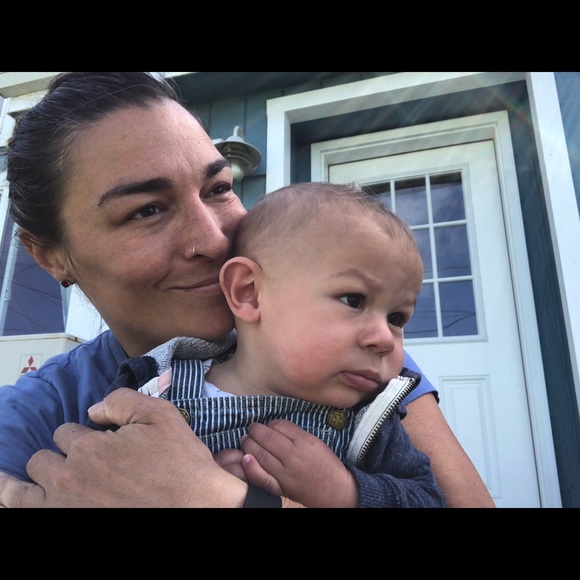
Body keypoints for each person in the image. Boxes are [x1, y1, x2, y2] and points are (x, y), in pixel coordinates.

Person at [0, 72, 494, 508]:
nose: (214, 240)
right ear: (51, 255)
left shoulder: (346, 353)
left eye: (218, 188)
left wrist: (220, 498)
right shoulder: (38, 412)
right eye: (146, 210)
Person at [99, 181, 445, 508]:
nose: (384, 338)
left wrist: (346, 491)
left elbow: (429, 498)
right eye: (353, 300)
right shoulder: (156, 385)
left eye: (396, 318)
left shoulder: (370, 419)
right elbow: (95, 475)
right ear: (248, 292)